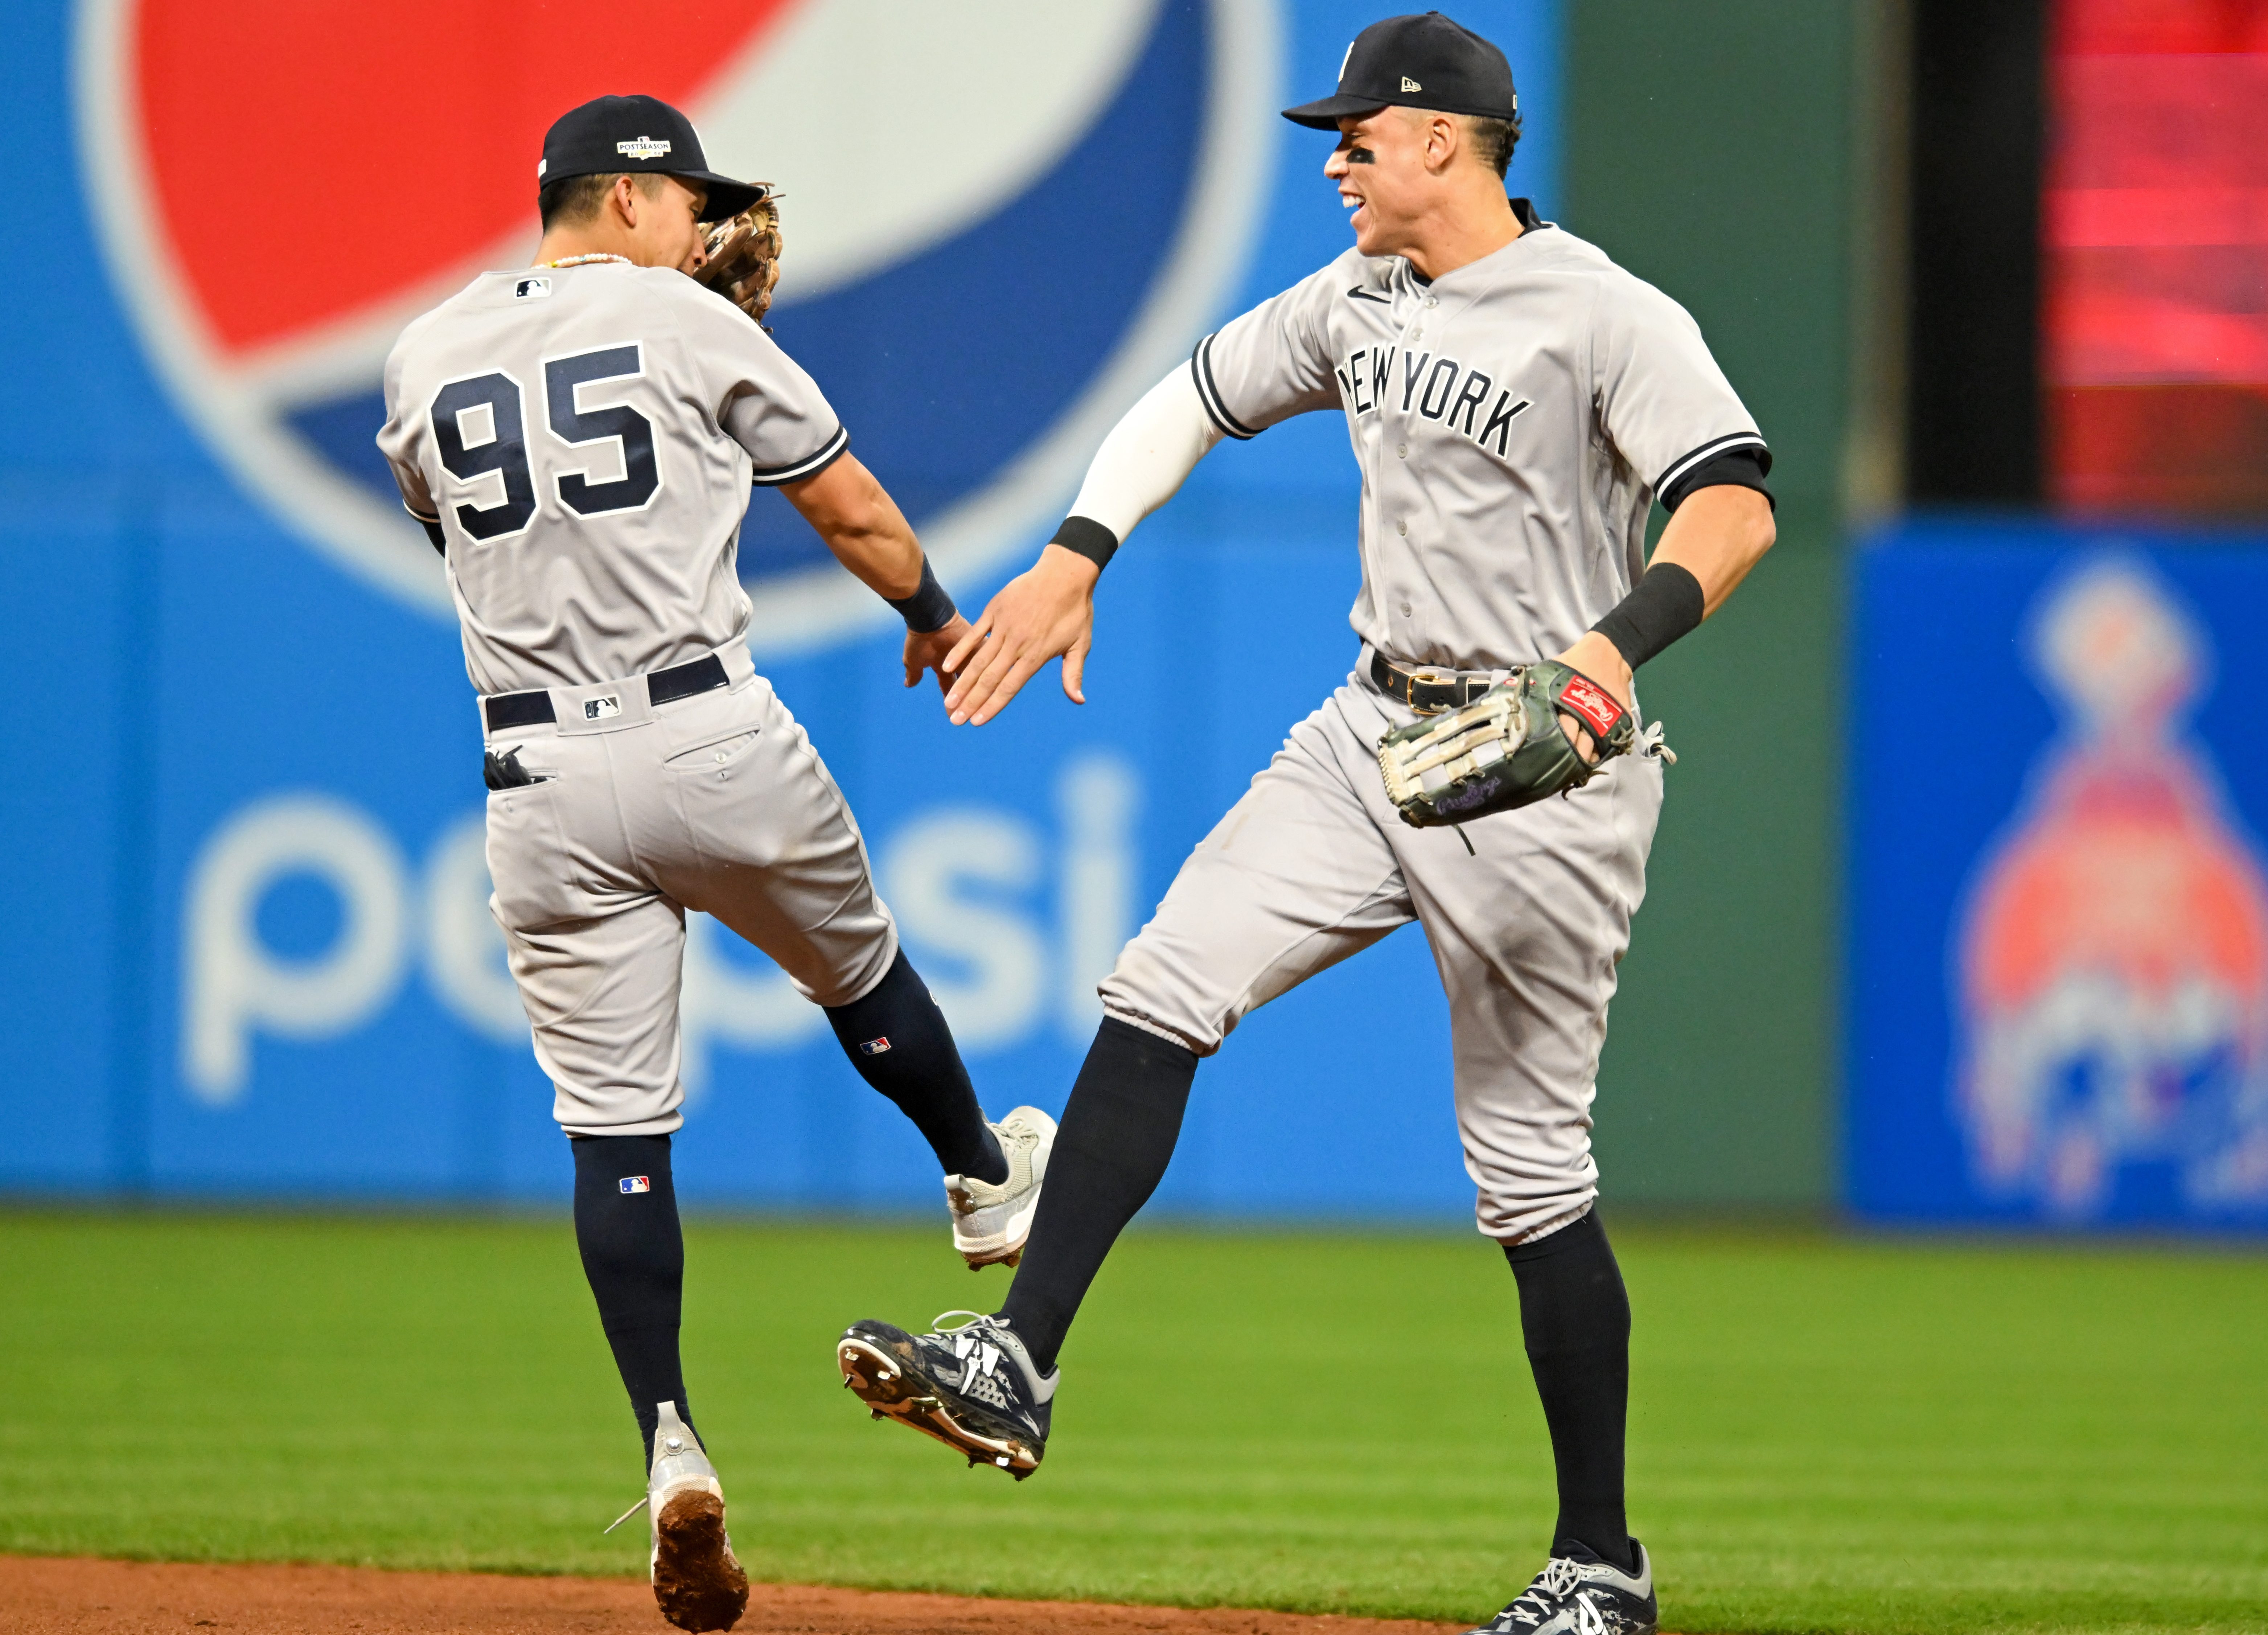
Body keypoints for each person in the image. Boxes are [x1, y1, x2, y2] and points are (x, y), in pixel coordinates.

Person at [833, 15, 1776, 1635]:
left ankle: (1598, 1565)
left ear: (1445, 139)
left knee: (1531, 1174)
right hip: (1373, 721)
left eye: (1358, 131)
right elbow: (1186, 399)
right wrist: (1077, 550)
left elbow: (1735, 501)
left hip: (1542, 767)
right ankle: (1018, 1359)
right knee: (1161, 980)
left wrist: (1611, 649)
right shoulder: (1355, 300)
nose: (1333, 156)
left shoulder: (1604, 314)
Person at [374, 93, 1055, 1633]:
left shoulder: (422, 353)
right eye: (686, 202)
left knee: (614, 1128)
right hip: (704, 730)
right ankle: (977, 1174)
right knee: (858, 967)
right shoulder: (687, 324)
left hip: (535, 768)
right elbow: (853, 507)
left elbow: (455, 529)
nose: (704, 229)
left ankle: (673, 1447)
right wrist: (936, 616)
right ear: (621, 201)